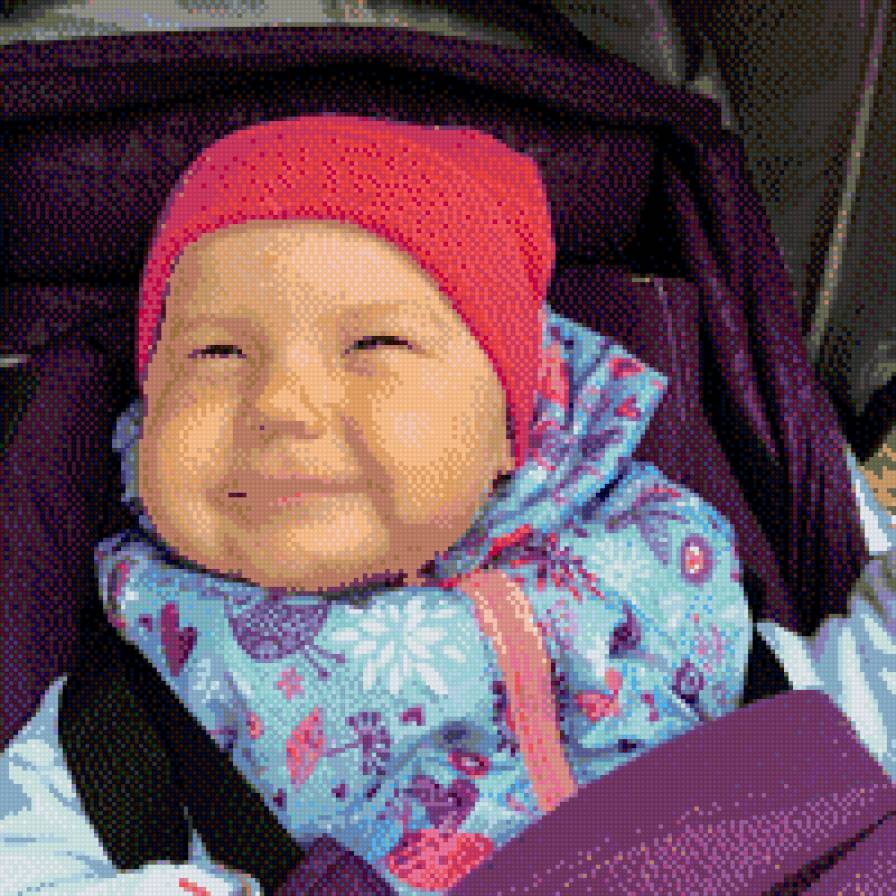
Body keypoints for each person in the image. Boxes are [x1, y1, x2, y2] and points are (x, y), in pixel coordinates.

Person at [0, 116, 752, 895]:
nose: (282, 404)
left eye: (374, 346)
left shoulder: (651, 564)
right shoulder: (127, 702)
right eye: (217, 352)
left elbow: (827, 713)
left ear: (510, 423)